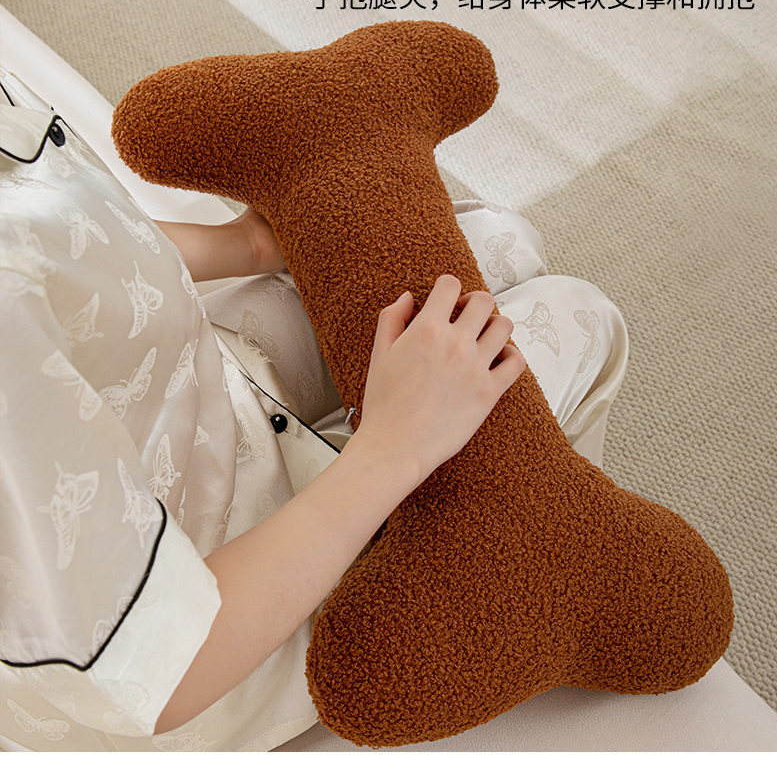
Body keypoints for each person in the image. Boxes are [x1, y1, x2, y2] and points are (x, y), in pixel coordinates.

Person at [0, 64, 628, 752]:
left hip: (193, 385)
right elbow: (153, 670)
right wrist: (397, 444)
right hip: (217, 614)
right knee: (582, 315)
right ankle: (541, 556)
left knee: (499, 239)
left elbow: (48, 239)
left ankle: (527, 504)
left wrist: (246, 247)